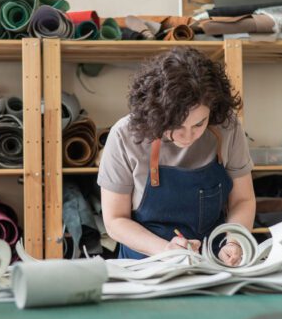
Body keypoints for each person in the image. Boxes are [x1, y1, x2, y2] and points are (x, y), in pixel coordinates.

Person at [97, 46, 255, 266]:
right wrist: (166, 250)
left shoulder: (227, 127)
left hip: (215, 262)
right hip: (145, 265)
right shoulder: (124, 135)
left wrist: (235, 242)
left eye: (199, 123)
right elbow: (115, 220)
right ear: (156, 114)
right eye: (176, 126)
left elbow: (243, 200)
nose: (188, 136)